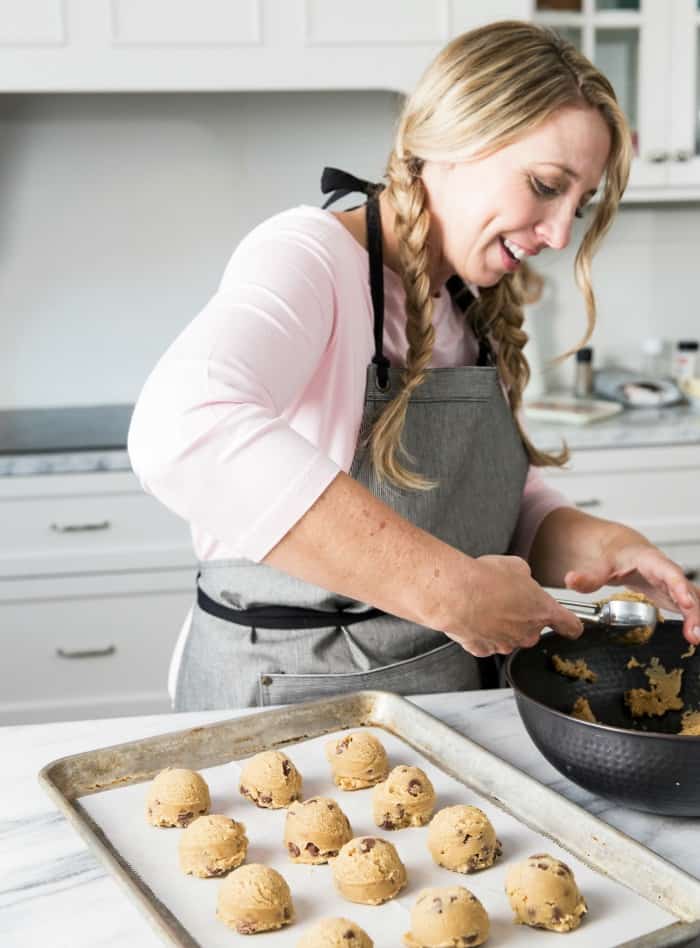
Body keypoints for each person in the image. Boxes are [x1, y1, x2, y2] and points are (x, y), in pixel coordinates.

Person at [128, 20, 700, 710]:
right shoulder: (310, 257)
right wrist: (449, 592)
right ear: (450, 145)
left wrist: (602, 546)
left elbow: (484, 504)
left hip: (439, 702)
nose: (558, 234)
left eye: (580, 206)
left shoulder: (473, 300)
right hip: (291, 705)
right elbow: (184, 428)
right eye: (547, 186)